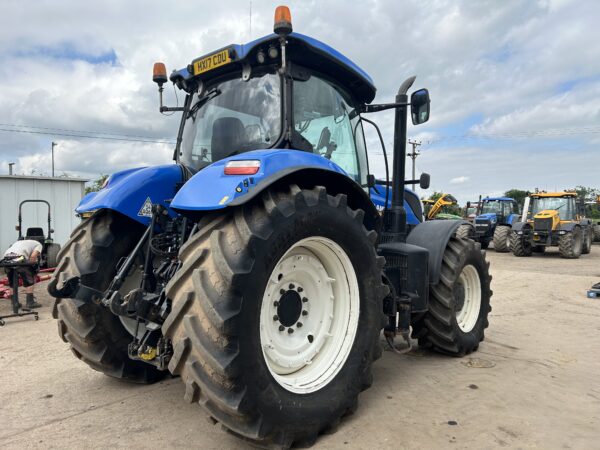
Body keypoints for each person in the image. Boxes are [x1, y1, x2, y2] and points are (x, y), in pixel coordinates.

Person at [1, 239, 42, 309]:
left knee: (12, 283)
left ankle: (14, 303)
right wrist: (33, 267)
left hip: (6, 259)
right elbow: (33, 257)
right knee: (29, 280)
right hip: (19, 258)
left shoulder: (18, 242)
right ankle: (30, 302)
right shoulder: (38, 244)